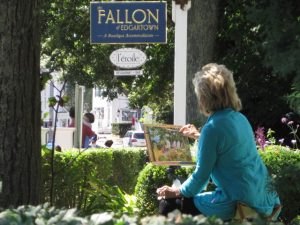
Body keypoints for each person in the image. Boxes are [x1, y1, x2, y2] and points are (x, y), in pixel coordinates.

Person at [156, 63, 281, 220]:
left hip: (241, 203)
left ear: (204, 98)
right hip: (265, 197)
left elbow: (201, 177)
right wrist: (199, 136)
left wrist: (176, 192)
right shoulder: (240, 118)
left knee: (168, 205)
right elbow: (229, 147)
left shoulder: (212, 129)